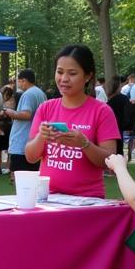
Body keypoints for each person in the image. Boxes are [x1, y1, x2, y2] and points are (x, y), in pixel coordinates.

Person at [26, 45, 119, 197]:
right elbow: (30, 157)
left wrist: (84, 144)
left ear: (88, 76)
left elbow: (110, 161)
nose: (64, 79)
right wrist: (41, 137)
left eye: (72, 73)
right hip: (48, 198)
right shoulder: (46, 108)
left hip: (86, 200)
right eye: (60, 72)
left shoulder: (101, 111)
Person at [3, 68, 46, 176]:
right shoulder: (40, 93)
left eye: (19, 81)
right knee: (33, 178)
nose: (19, 84)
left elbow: (27, 114)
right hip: (33, 142)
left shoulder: (28, 94)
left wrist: (10, 112)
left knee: (19, 178)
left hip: (22, 144)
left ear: (24, 80)